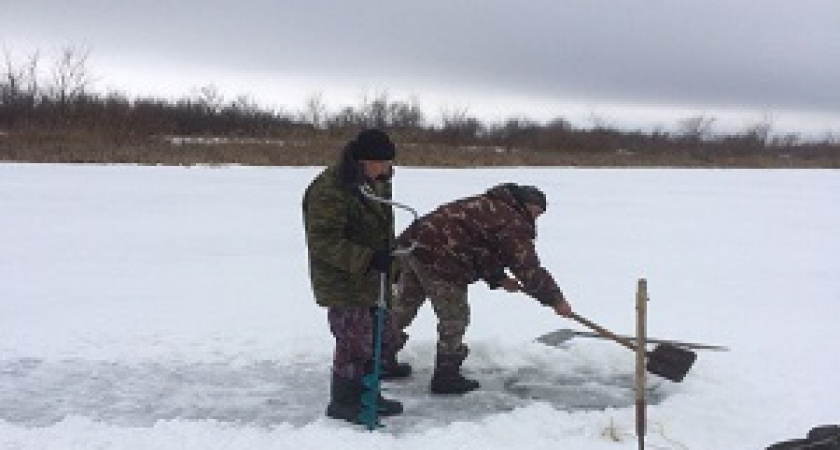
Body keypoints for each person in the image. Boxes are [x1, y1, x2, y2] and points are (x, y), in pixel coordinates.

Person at [389, 183, 573, 395]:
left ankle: (380, 358)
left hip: (412, 247)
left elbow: (478, 245)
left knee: (404, 306)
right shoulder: (512, 220)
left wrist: (499, 278)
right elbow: (527, 267)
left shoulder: (488, 204)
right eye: (537, 212)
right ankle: (446, 377)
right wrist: (556, 300)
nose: (536, 218)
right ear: (527, 205)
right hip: (441, 258)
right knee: (454, 317)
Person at [301, 129, 411, 424]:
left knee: (379, 337)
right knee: (354, 342)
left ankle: (368, 393)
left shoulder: (377, 182)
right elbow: (323, 241)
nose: (386, 170)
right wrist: (368, 258)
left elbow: (380, 227)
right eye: (380, 163)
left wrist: (392, 261)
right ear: (361, 160)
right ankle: (345, 402)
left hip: (375, 279)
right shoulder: (330, 189)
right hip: (344, 279)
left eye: (388, 163)